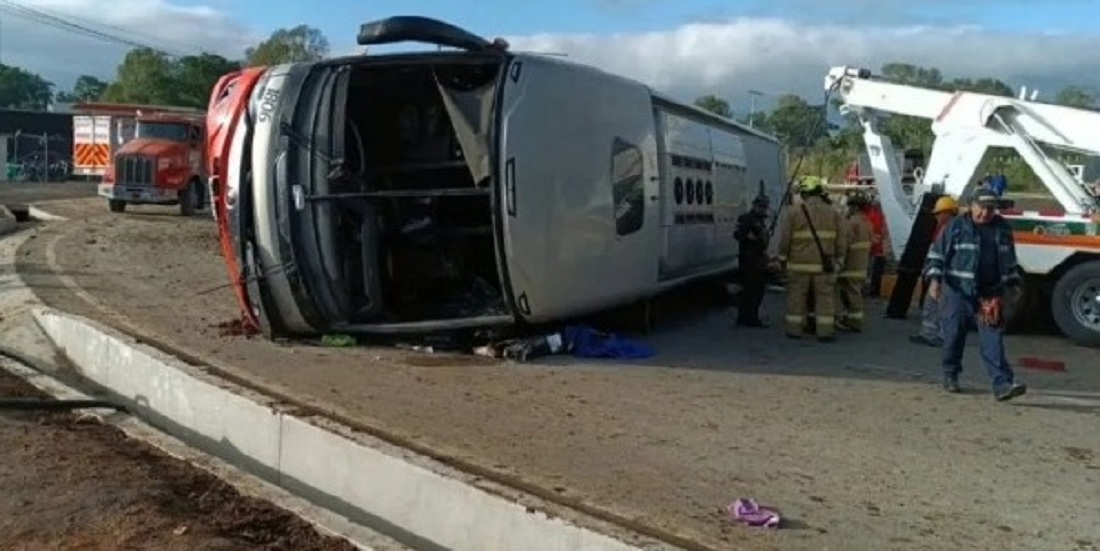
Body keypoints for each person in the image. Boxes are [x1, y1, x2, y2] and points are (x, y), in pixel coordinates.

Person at [925, 189, 1027, 401]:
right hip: (957, 293)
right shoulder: (955, 226)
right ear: (972, 206)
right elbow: (936, 255)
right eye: (981, 208)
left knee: (993, 339)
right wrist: (935, 281)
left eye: (990, 209)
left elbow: (1009, 261)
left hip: (989, 295)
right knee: (953, 336)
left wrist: (1014, 285)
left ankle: (1003, 384)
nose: (985, 213)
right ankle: (951, 374)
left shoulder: (1002, 229)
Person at [777, 177, 847, 341]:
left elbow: (785, 239)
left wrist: (782, 259)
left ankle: (794, 330)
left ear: (804, 192)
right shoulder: (833, 212)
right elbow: (841, 239)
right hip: (824, 267)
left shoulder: (794, 212)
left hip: (798, 267)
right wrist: (839, 259)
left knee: (796, 299)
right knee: (825, 300)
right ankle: (825, 332)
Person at [910, 195, 959, 346]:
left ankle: (939, 335)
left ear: (948, 212)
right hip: (941, 274)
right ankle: (930, 333)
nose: (936, 216)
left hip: (944, 275)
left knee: (938, 305)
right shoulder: (948, 228)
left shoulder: (950, 229)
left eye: (939, 213)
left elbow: (944, 254)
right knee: (933, 304)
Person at [836, 192, 873, 332]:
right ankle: (852, 319)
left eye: (850, 206)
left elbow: (845, 243)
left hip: (850, 265)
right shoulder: (867, 222)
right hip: (862, 265)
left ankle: (854, 322)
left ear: (855, 207)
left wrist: (839, 261)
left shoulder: (852, 222)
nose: (848, 208)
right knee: (854, 292)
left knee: (850, 293)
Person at [734, 194, 772, 327]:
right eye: (761, 206)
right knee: (752, 290)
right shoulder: (746, 218)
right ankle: (749, 318)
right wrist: (752, 238)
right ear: (755, 205)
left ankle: (747, 316)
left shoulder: (760, 220)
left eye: (765, 207)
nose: (763, 209)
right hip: (749, 259)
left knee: (755, 290)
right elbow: (738, 235)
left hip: (757, 258)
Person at [864, 198, 887, 297]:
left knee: (869, 270)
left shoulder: (868, 215)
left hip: (869, 247)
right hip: (878, 249)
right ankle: (874, 289)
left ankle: (870, 289)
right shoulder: (881, 216)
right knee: (875, 271)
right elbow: (883, 232)